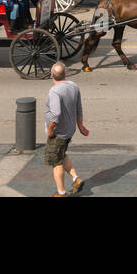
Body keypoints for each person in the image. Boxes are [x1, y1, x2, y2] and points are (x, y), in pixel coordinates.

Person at [45, 63, 88, 197]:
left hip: (59, 133)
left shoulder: (55, 91)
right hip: (70, 129)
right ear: (65, 74)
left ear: (52, 75)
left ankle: (61, 193)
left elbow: (56, 114)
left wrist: (50, 129)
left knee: (56, 162)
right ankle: (76, 179)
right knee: (62, 154)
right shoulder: (73, 86)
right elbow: (78, 107)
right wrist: (80, 125)